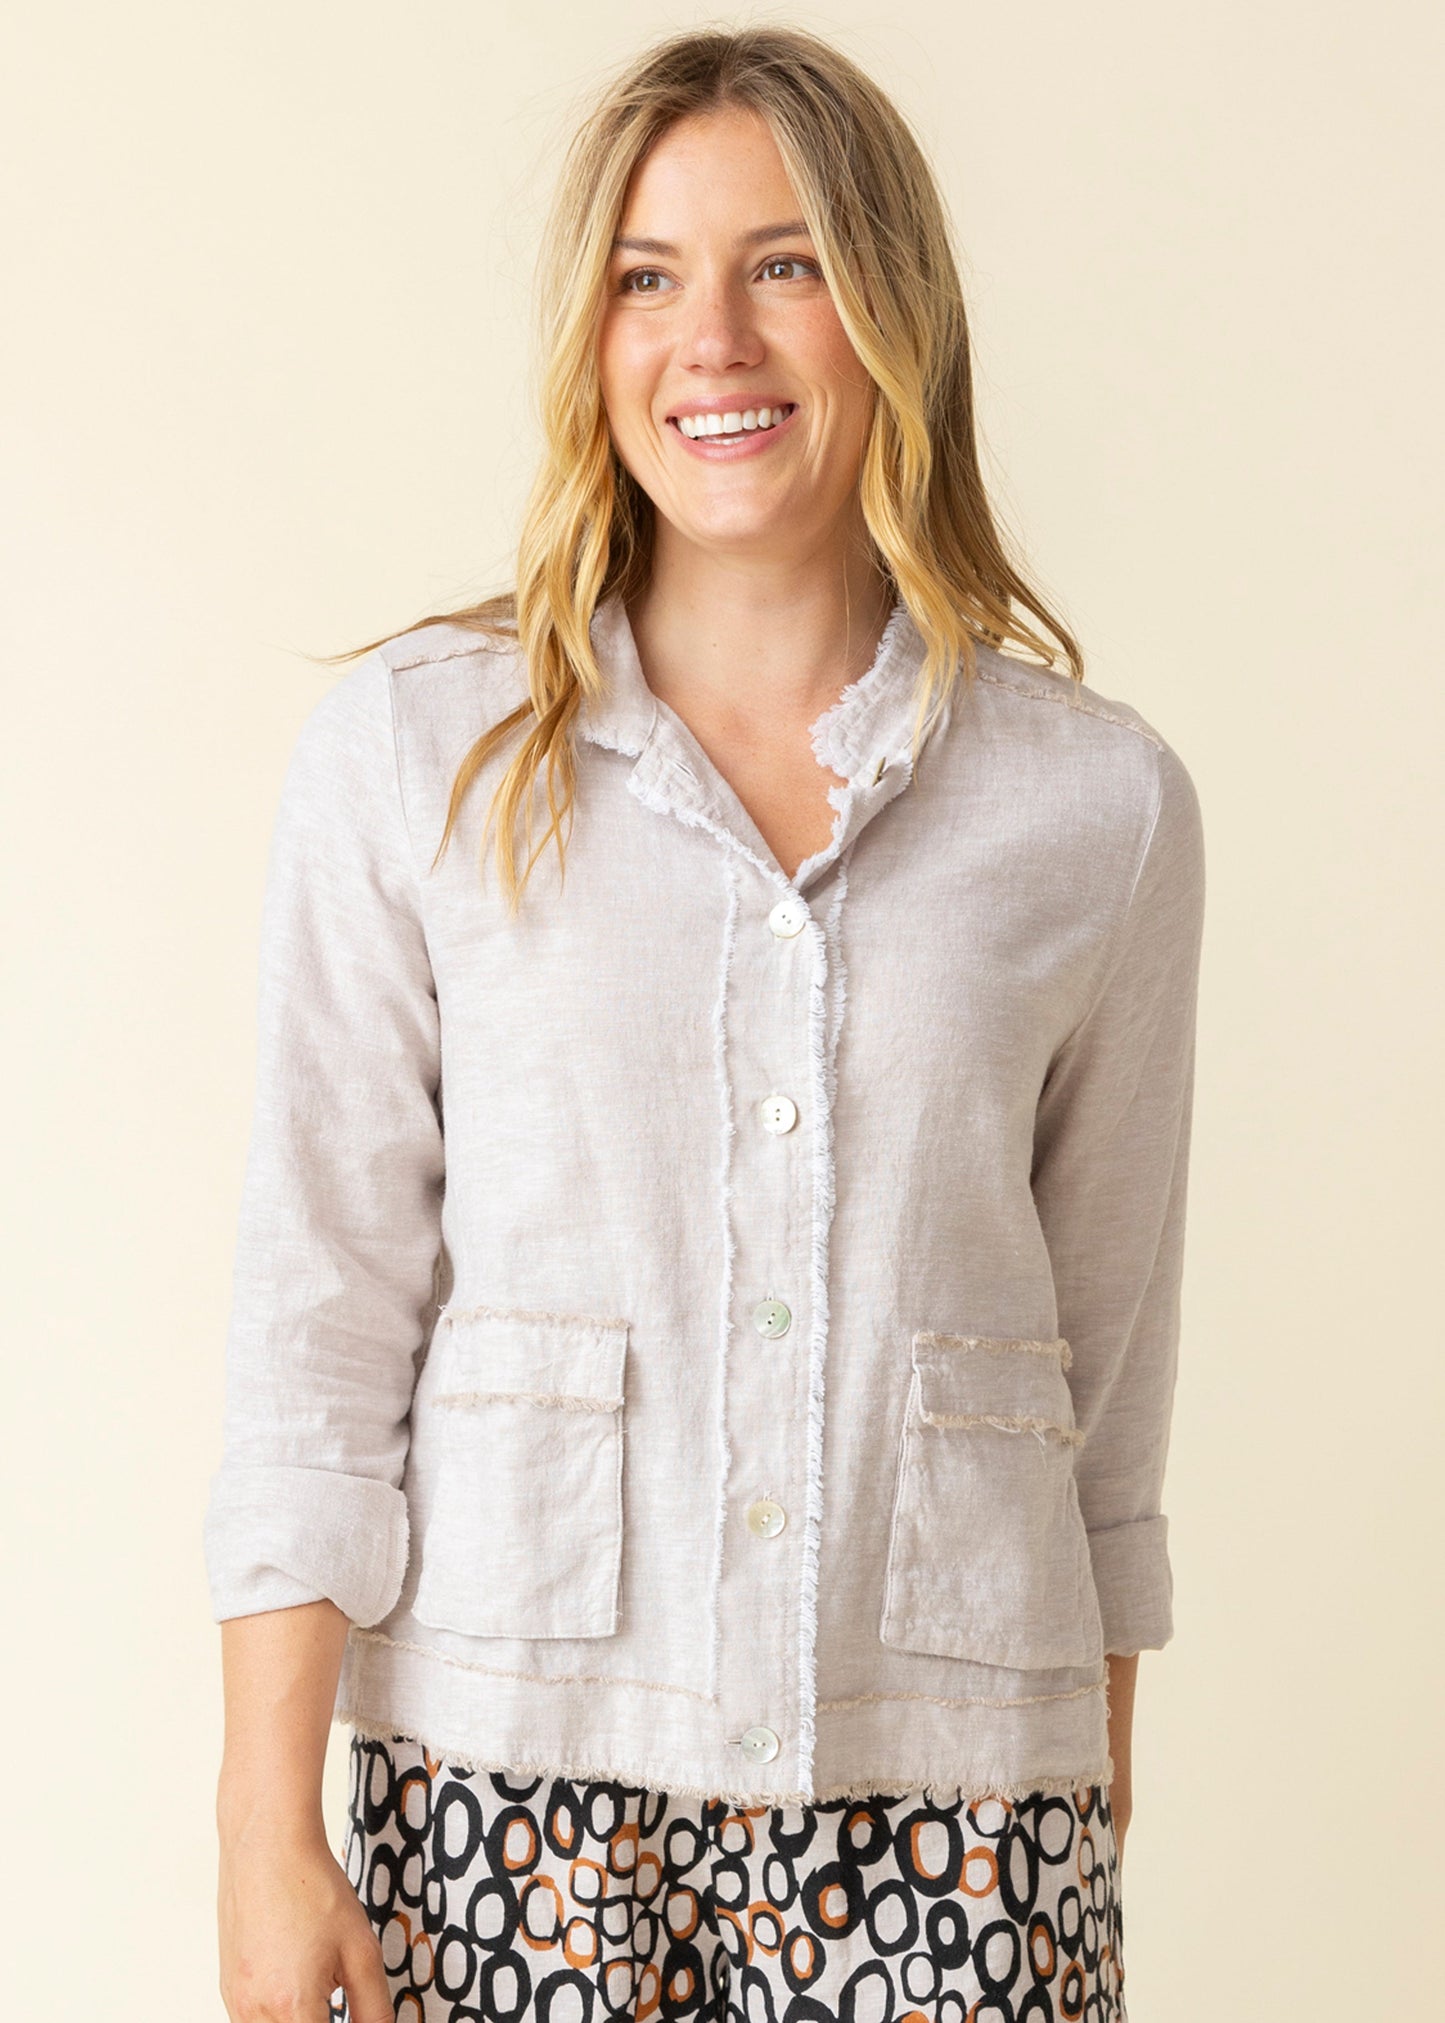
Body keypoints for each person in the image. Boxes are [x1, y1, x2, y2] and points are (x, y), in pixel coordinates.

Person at [206, 24, 1205, 2023]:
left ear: (891, 312)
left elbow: (1105, 1383)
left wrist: (1079, 1822)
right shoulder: (416, 757)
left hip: (958, 1812)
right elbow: (322, 1323)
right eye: (647, 277)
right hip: (511, 1789)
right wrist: (262, 1824)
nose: (712, 342)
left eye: (785, 265)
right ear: (591, 338)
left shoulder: (1097, 807)